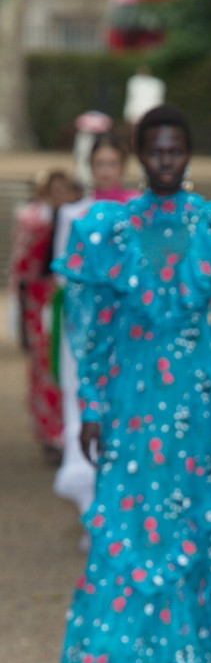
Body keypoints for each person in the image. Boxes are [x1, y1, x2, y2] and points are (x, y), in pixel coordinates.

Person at [53, 105, 211, 663]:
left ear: (189, 152)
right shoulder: (107, 230)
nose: (167, 161)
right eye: (156, 151)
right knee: (131, 529)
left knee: (207, 530)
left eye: (176, 150)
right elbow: (90, 333)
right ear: (140, 154)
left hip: (205, 411)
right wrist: (90, 407)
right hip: (135, 406)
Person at [53, 134, 137, 518]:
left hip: (128, 324)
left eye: (111, 163)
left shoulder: (137, 211)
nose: (105, 170)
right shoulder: (74, 214)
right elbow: (62, 272)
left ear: (122, 166)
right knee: (83, 401)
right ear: (90, 167)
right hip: (86, 326)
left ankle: (120, 496)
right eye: (98, 163)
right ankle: (88, 499)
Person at [9, 169, 74, 454]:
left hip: (62, 300)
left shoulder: (74, 219)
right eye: (54, 190)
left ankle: (59, 427)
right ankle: (47, 428)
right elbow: (23, 266)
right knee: (43, 364)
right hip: (39, 301)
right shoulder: (34, 221)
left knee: (60, 364)